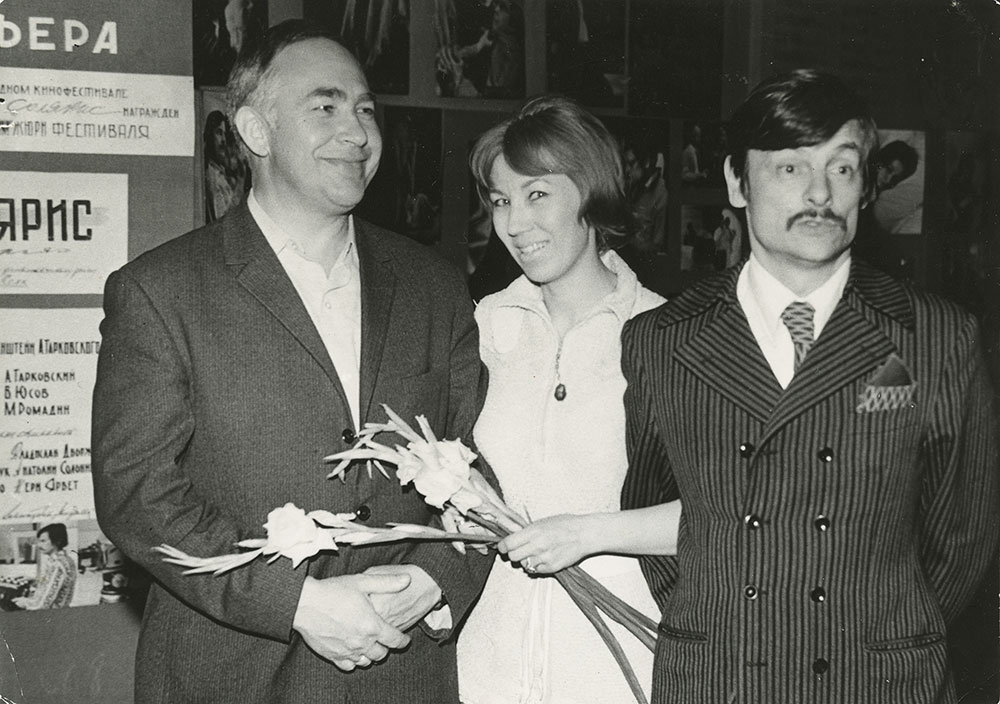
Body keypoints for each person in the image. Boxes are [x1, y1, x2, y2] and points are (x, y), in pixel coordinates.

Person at [92, 20, 492, 704]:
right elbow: (138, 494)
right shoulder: (161, 292)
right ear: (255, 131)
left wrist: (437, 579)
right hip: (237, 674)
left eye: (366, 109)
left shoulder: (433, 284)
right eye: (326, 106)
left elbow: (480, 452)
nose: (359, 133)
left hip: (404, 671)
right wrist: (298, 603)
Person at [620, 69, 999, 703]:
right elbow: (656, 511)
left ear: (866, 185)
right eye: (791, 168)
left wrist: (890, 630)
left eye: (843, 168)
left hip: (877, 681)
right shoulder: (663, 341)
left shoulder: (935, 335)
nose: (820, 192)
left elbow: (962, 534)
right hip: (720, 679)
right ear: (737, 183)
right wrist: (718, 623)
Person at [457, 95, 681, 704]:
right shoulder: (482, 328)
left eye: (537, 195)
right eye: (501, 201)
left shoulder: (665, 335)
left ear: (590, 193)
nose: (514, 224)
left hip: (618, 660)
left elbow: (725, 517)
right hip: (488, 661)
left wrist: (589, 532)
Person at [13, 523, 76, 610]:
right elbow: (53, 584)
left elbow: (44, 604)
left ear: (57, 541)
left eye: (43, 541)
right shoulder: (66, 559)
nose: (39, 545)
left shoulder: (57, 564)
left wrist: (25, 602)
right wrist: (35, 580)